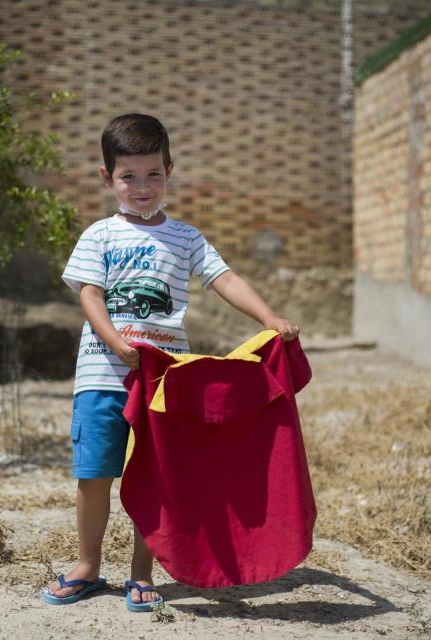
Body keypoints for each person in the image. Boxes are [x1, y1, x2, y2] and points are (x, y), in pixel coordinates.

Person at [43, 113, 299, 611]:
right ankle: (87, 566)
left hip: (164, 384)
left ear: (170, 170)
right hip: (102, 376)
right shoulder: (99, 235)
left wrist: (270, 317)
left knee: (155, 479)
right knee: (94, 474)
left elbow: (224, 278)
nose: (142, 187)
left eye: (153, 174)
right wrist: (116, 342)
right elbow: (90, 295)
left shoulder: (186, 238)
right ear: (107, 177)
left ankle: (141, 574)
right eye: (128, 176)